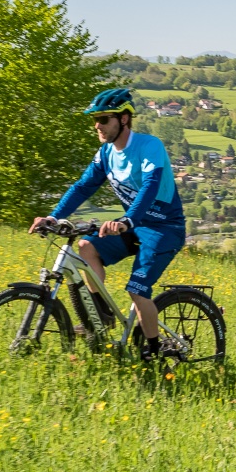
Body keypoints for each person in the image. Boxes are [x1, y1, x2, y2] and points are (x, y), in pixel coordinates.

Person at [29, 87, 187, 357]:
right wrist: (54, 216)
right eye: (95, 120)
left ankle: (153, 350)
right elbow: (82, 187)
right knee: (86, 247)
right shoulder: (105, 154)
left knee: (137, 291)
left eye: (103, 119)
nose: (97, 125)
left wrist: (127, 220)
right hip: (134, 225)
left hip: (164, 229)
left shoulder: (149, 146)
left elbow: (151, 185)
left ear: (123, 119)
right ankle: (102, 317)